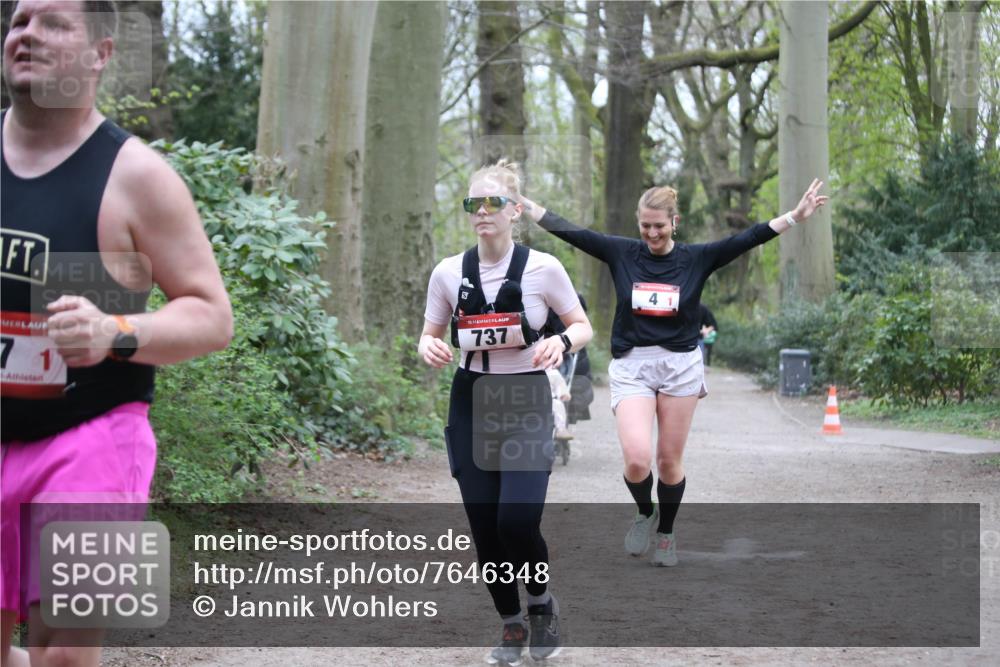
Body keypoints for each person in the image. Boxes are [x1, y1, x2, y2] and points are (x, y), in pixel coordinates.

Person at [1, 2, 233, 665]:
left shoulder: (138, 176)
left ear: (100, 53)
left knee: (64, 655)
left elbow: (211, 314)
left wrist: (115, 330)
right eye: (19, 21)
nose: (27, 34)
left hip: (93, 434)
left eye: (53, 23)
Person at [519, 180, 828, 567]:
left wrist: (795, 217)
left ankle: (666, 531)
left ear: (674, 222)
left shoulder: (696, 258)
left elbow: (748, 238)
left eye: (659, 226)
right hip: (633, 364)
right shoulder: (622, 252)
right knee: (636, 460)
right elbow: (571, 231)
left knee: (667, 461)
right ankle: (645, 512)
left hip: (680, 366)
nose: (651, 233)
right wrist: (524, 203)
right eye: (645, 226)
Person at [419, 159, 592, 664]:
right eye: (474, 203)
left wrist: (560, 342)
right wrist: (426, 348)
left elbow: (581, 325)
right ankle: (512, 624)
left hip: (524, 399)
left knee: (516, 520)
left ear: (515, 211)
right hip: (472, 397)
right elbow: (429, 333)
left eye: (494, 202)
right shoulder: (449, 273)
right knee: (485, 528)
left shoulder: (544, 269)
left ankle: (541, 605)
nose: (483, 212)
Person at [545, 367, 572, 440]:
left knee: (558, 405)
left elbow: (560, 385)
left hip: (550, 399)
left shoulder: (553, 373)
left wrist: (563, 393)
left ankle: (561, 429)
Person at [697, 303, 718, 367]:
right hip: (682, 340)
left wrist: (705, 331)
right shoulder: (682, 304)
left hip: (698, 339)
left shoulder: (702, 308)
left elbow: (713, 325)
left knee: (699, 362)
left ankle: (707, 365)